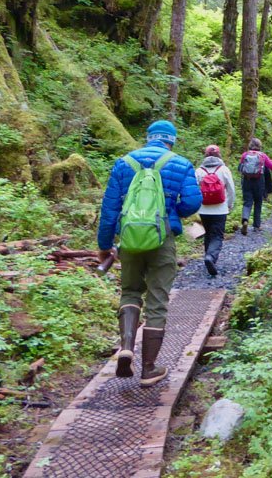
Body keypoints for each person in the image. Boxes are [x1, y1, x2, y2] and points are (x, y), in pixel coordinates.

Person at [97, 120, 202, 387]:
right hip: (161, 238)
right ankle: (149, 369)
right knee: (157, 299)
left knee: (130, 292)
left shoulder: (124, 163)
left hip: (129, 239)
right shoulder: (180, 163)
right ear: (171, 140)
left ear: (148, 138)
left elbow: (109, 208)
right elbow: (193, 201)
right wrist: (171, 215)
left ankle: (126, 348)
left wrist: (105, 244)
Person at [195, 145, 236, 277]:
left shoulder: (199, 171)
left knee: (208, 233)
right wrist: (229, 204)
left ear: (206, 155)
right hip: (220, 209)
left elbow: (194, 190)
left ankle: (208, 256)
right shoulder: (224, 169)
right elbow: (231, 189)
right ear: (219, 155)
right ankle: (211, 257)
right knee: (217, 235)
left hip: (203, 208)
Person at [238, 138, 272, 235]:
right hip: (259, 182)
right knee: (258, 203)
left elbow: (240, 168)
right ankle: (256, 225)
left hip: (247, 181)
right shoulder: (262, 155)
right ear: (259, 146)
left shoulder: (245, 155)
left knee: (247, 202)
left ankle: (245, 219)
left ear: (250, 145)